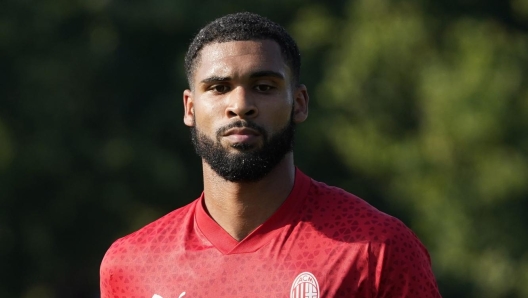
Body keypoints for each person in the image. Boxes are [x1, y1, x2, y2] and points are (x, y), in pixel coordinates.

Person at [100, 12, 441, 298]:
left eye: (263, 87)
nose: (240, 105)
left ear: (299, 103)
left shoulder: (377, 249)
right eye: (218, 88)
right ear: (190, 107)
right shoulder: (131, 265)